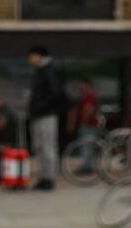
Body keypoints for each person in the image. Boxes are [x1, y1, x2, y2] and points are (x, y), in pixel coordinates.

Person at [27, 45, 64, 191]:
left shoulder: (49, 71)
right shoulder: (40, 71)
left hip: (47, 114)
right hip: (38, 114)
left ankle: (49, 178)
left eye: (32, 56)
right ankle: (43, 177)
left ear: (39, 56)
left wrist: (40, 106)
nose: (30, 59)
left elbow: (55, 93)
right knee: (39, 147)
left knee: (48, 147)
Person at [68, 78, 102, 173]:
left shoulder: (89, 96)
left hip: (88, 125)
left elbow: (88, 109)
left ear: (86, 84)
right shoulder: (87, 96)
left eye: (81, 84)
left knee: (86, 146)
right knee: (88, 146)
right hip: (88, 125)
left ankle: (87, 166)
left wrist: (83, 122)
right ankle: (88, 165)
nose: (79, 87)